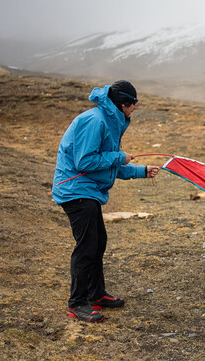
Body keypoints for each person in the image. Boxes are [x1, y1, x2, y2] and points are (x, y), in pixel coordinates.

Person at [52, 80, 160, 322]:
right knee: (87, 247)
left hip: (87, 190)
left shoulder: (110, 122)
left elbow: (107, 165)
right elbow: (85, 162)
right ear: (123, 104)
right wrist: (120, 156)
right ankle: (77, 303)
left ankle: (96, 294)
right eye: (133, 104)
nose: (135, 108)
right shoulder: (95, 121)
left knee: (98, 242)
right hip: (75, 190)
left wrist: (141, 171)